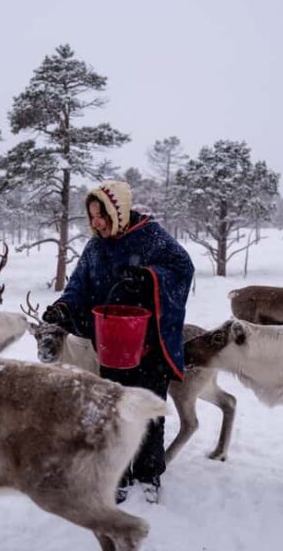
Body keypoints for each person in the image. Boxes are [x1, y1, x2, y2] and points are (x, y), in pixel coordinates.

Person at [42, 180, 194, 504]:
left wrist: (149, 277)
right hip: (112, 346)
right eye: (92, 216)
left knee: (149, 411)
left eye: (102, 215)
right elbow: (78, 286)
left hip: (150, 346)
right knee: (114, 411)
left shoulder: (150, 235)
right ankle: (119, 473)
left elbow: (183, 268)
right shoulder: (95, 247)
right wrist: (62, 308)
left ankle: (149, 475)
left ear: (118, 211)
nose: (96, 223)